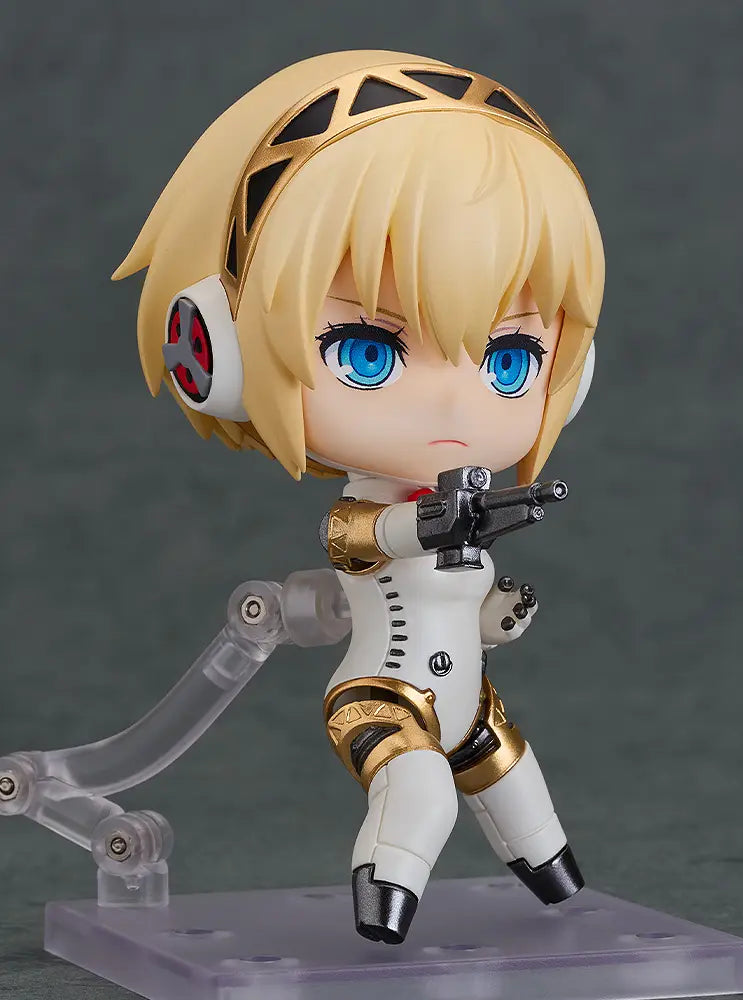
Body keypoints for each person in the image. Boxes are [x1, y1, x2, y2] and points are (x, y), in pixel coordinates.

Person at [114, 49, 605, 944]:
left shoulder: (464, 520)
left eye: (509, 359)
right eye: (368, 353)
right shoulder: (361, 522)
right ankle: (386, 904)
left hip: (473, 703)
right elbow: (380, 540)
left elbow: (466, 610)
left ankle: (561, 890)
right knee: (420, 793)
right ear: (216, 351)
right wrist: (440, 523)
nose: (454, 404)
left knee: (520, 788)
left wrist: (501, 613)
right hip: (383, 698)